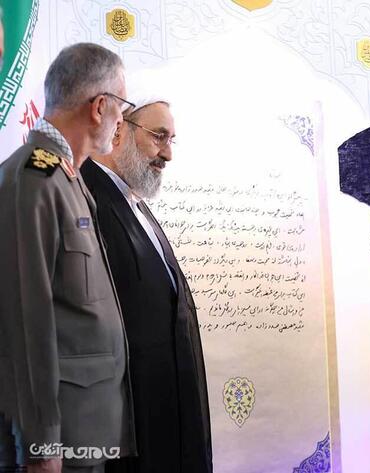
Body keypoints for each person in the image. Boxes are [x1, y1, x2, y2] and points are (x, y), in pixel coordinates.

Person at [0, 43, 136, 473]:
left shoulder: (67, 177)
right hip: (59, 445)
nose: (121, 122)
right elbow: (26, 321)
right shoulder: (34, 177)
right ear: (99, 107)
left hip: (86, 432)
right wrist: (41, 444)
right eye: (121, 108)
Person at [81, 97, 212, 473]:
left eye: (171, 140)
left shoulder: (134, 205)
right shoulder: (86, 199)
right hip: (127, 430)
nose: (167, 153)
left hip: (165, 417)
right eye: (158, 136)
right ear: (118, 129)